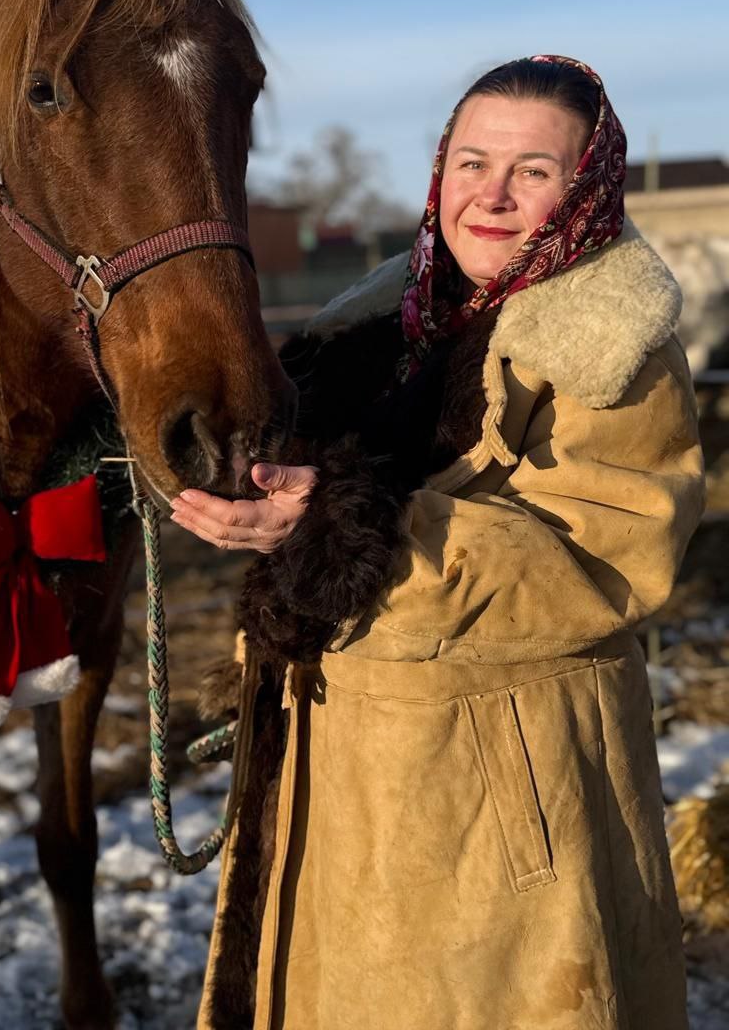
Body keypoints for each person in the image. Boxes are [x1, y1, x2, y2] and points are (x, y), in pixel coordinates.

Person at [174, 54, 706, 1030]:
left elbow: (600, 561)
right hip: (339, 767)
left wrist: (343, 525)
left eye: (533, 171)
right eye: (472, 162)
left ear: (585, 188)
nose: (491, 195)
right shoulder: (378, 323)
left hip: (499, 795)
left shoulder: (614, 346)